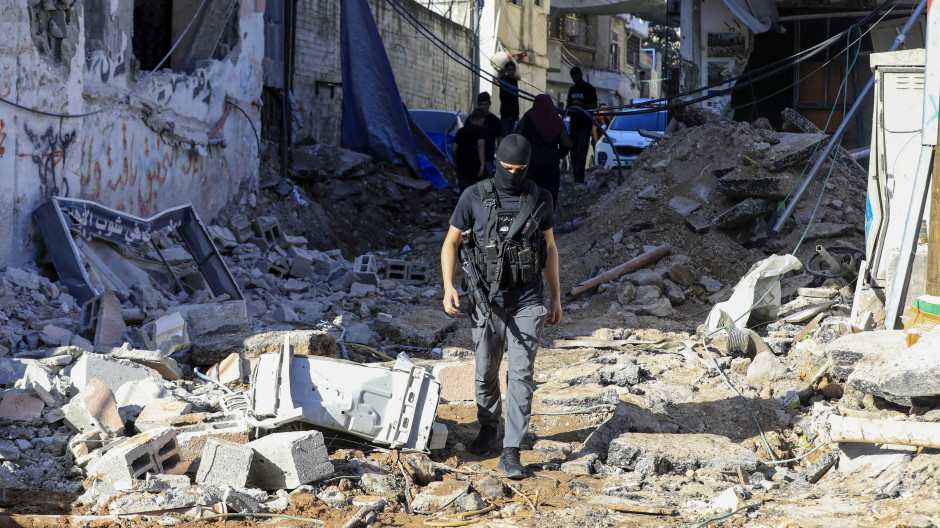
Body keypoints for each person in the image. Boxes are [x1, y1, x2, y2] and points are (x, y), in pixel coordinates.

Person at [441, 135, 562, 479]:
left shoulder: (540, 198)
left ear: (527, 166)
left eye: (518, 169)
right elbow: (450, 243)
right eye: (506, 168)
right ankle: (487, 427)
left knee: (521, 374)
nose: (512, 173)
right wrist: (449, 286)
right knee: (485, 371)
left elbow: (550, 248)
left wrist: (555, 296)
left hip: (528, 297)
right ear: (497, 163)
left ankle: (511, 449)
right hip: (486, 301)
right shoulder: (473, 197)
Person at [514, 94, 571, 206]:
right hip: (551, 166)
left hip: (531, 165)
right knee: (548, 198)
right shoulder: (556, 119)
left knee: (530, 199)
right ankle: (546, 222)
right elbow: (567, 144)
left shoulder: (528, 117)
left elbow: (516, 138)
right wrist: (558, 155)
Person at [565, 66, 597, 183]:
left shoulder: (589, 89)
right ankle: (574, 177)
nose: (575, 79)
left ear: (580, 74)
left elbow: (594, 106)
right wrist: (571, 105)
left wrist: (581, 105)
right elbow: (568, 106)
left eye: (576, 76)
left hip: (584, 125)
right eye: (573, 77)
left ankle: (580, 178)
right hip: (574, 125)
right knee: (573, 153)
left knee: (581, 152)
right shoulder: (572, 89)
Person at [451, 109, 487, 192]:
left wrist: (456, 162)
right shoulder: (481, 131)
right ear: (482, 120)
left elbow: (453, 149)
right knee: (481, 194)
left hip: (462, 167)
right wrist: (482, 164)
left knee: (465, 194)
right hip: (476, 167)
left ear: (470, 119)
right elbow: (480, 144)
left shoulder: (461, 131)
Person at [476, 92, 504, 177]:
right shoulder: (472, 118)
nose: (482, 107)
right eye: (480, 104)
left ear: (489, 104)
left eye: (485, 104)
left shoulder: (494, 121)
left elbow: (500, 141)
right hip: (472, 160)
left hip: (488, 160)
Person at [498, 62, 520, 138]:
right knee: (506, 137)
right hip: (506, 115)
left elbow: (515, 99)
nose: (511, 72)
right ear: (506, 70)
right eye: (509, 70)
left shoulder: (514, 81)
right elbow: (504, 98)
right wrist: (509, 114)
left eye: (513, 70)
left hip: (513, 115)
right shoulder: (504, 80)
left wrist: (516, 114)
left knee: (511, 137)